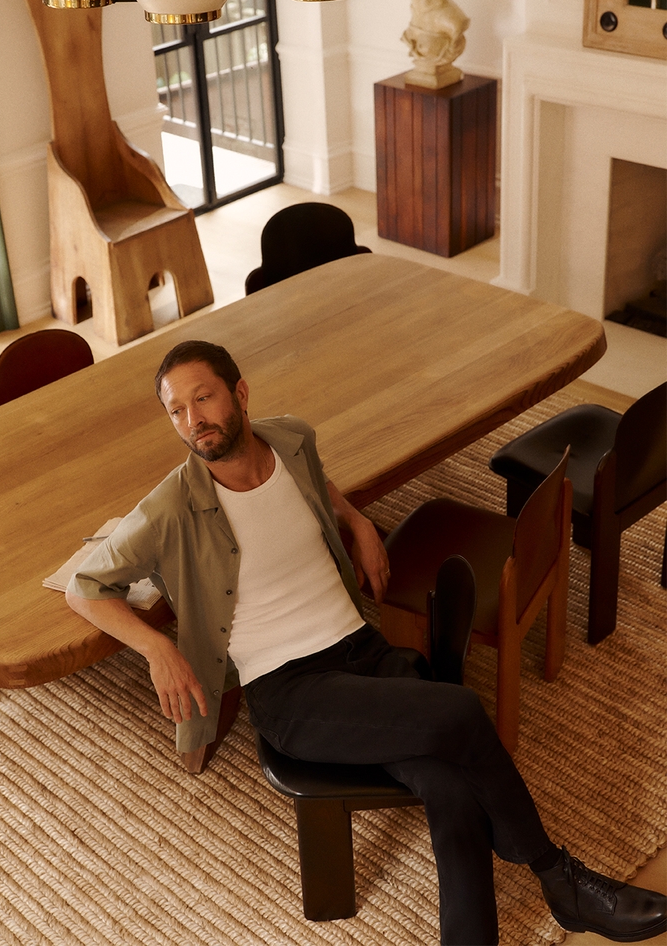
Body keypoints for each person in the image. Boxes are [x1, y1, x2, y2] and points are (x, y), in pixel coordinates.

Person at [66, 339, 667, 946]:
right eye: (176, 410)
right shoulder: (174, 503)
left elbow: (315, 482)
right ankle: (558, 877)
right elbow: (82, 587)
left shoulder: (292, 439)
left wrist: (355, 521)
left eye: (204, 398)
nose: (192, 421)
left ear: (239, 394)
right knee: (459, 710)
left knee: (449, 784)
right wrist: (156, 648)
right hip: (290, 689)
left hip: (362, 648)